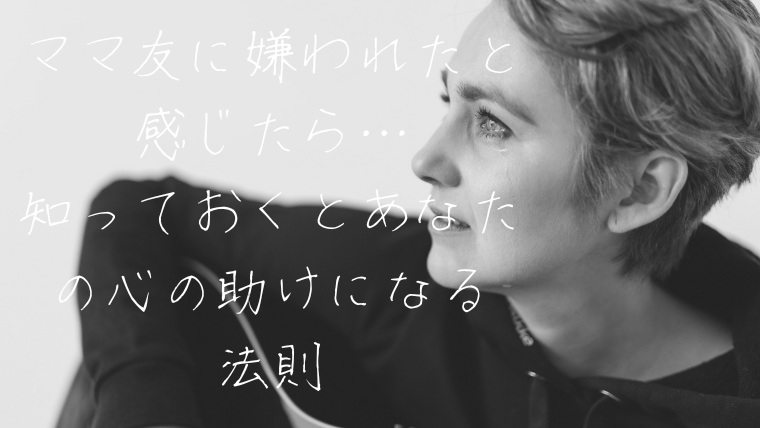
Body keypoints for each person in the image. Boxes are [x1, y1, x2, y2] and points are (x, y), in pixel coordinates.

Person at [58, 0, 760, 427]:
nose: (425, 159)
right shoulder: (400, 283)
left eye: (492, 124)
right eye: (449, 102)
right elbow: (137, 210)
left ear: (637, 193)